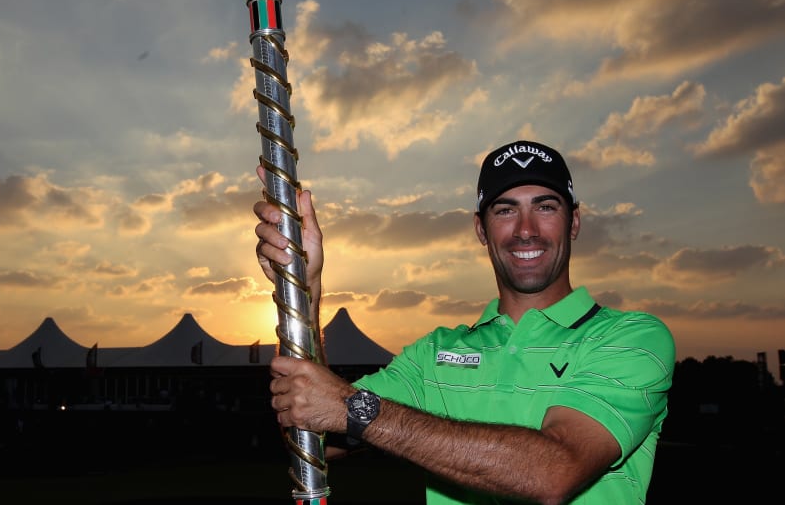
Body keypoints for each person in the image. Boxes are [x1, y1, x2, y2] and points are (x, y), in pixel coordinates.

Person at [254, 140, 675, 504]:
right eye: (505, 210)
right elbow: (314, 438)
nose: (526, 230)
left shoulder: (632, 339)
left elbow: (555, 471)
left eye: (545, 207)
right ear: (480, 229)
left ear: (575, 221)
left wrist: (354, 410)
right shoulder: (435, 353)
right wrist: (303, 289)